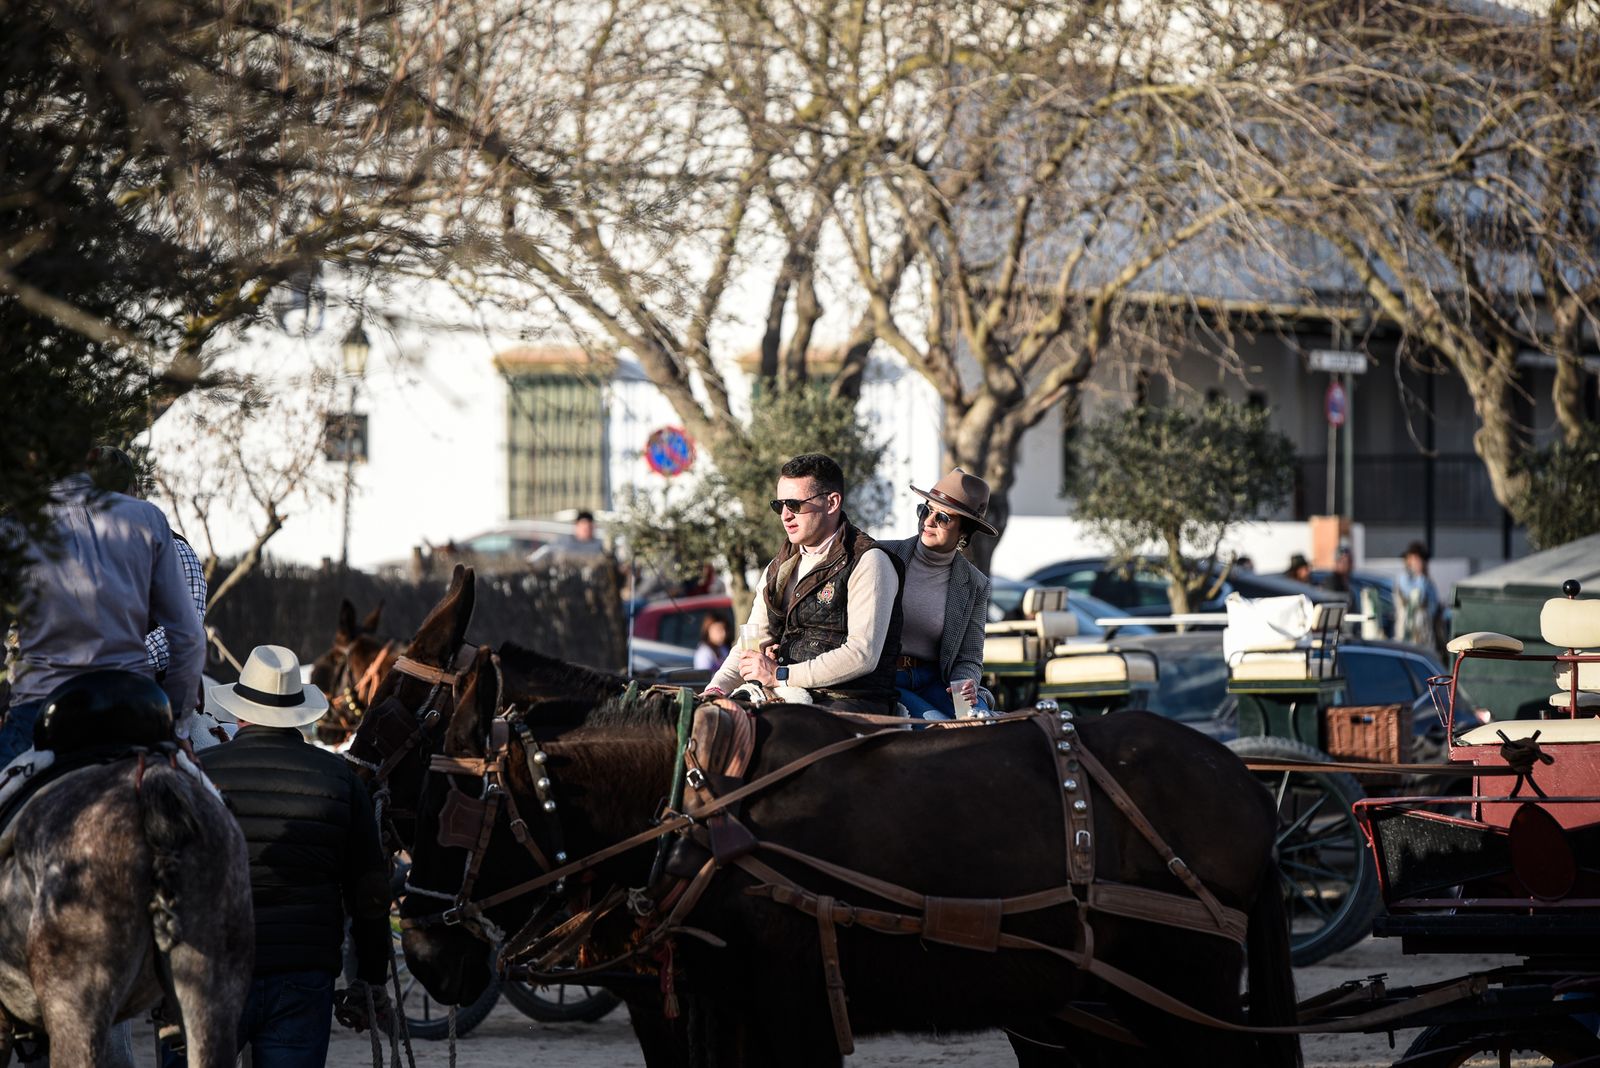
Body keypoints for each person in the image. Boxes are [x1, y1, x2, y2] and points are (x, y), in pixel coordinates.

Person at [199, 644, 392, 1067]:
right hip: (302, 974)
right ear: (299, 712)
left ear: (239, 710)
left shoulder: (197, 773)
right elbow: (370, 892)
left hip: (209, 971)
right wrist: (371, 978)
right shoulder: (339, 780)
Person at [0, 447, 205, 765]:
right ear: (134, 489)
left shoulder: (17, 525)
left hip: (43, 701)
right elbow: (189, 637)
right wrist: (177, 725)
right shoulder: (150, 521)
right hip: (134, 703)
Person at [703, 453, 905, 715]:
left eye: (795, 504)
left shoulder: (869, 562)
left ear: (832, 502)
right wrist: (715, 690)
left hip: (851, 701)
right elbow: (750, 642)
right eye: (779, 505)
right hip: (787, 694)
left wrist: (781, 674)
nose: (785, 516)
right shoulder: (778, 567)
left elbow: (862, 655)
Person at [881, 469, 996, 721]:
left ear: (964, 532)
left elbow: (969, 657)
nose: (928, 521)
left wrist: (967, 683)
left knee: (983, 725)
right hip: (886, 678)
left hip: (936, 681)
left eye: (943, 517)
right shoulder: (882, 555)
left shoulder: (976, 584)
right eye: (925, 510)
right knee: (943, 732)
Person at [1394, 540, 1444, 653]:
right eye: (1415, 558)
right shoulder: (1404, 578)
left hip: (1426, 632)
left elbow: (1433, 606)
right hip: (1410, 632)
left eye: (1420, 559)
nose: (1418, 562)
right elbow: (1417, 597)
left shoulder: (1428, 582)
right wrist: (1420, 575)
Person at [528, 510, 606, 565]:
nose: (586, 530)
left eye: (589, 527)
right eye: (583, 528)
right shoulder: (564, 542)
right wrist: (531, 562)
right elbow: (546, 550)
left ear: (593, 528)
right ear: (576, 526)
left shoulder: (600, 546)